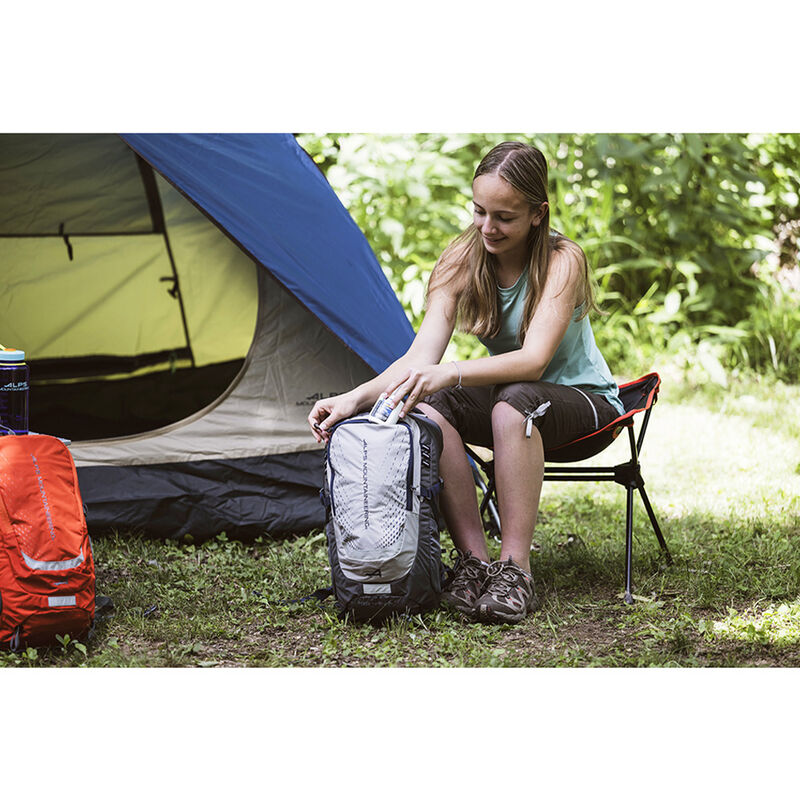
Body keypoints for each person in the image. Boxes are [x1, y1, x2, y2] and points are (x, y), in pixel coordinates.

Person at [308, 141, 623, 624]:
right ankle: (475, 562)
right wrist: (352, 400)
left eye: (505, 217)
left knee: (513, 402)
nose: (488, 228)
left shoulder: (563, 260)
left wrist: (451, 371)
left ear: (538, 214)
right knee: (429, 403)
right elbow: (419, 359)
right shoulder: (462, 260)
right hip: (511, 403)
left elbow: (534, 361)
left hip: (584, 405)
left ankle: (516, 569)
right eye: (479, 211)